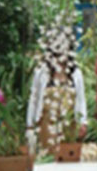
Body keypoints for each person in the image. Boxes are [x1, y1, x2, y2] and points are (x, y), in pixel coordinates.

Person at [27, 23, 87, 153]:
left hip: (69, 126)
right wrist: (30, 124)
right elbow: (34, 98)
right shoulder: (42, 72)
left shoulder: (75, 73)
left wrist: (83, 121)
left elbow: (81, 99)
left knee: (67, 156)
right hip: (45, 126)